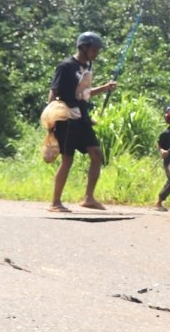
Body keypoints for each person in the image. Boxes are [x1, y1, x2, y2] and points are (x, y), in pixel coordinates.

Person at [47, 31, 117, 212]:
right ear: (83, 47)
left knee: (96, 155)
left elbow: (83, 93)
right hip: (67, 118)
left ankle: (89, 198)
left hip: (83, 118)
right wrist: (51, 118)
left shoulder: (87, 68)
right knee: (67, 159)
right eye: (94, 49)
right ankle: (55, 202)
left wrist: (104, 88)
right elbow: (54, 92)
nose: (96, 53)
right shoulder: (66, 66)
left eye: (97, 50)